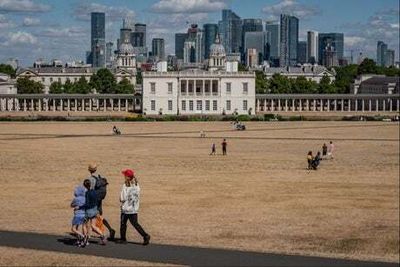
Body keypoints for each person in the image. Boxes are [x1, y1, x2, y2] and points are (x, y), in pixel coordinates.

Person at [118, 169, 150, 245]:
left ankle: (123, 238)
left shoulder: (125, 185)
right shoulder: (136, 184)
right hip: (134, 208)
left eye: (125, 175)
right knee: (135, 224)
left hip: (126, 209)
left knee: (123, 224)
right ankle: (145, 235)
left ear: (127, 177)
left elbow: (122, 198)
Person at [87, 163, 116, 240]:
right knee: (99, 216)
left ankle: (102, 233)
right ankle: (108, 230)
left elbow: (90, 190)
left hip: (94, 200)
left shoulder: (91, 179)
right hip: (99, 199)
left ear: (89, 170)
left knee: (95, 216)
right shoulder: (99, 177)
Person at [82, 179, 106, 246]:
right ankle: (102, 235)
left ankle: (85, 238)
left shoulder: (87, 193)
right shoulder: (95, 192)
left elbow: (87, 203)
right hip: (95, 209)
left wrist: (82, 207)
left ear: (85, 186)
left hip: (89, 211)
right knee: (93, 225)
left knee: (84, 225)